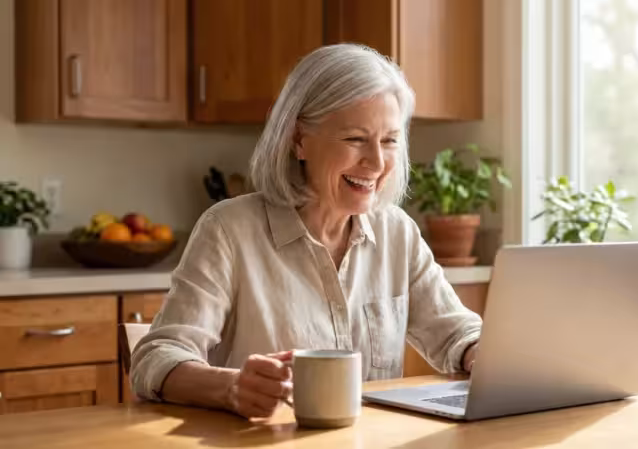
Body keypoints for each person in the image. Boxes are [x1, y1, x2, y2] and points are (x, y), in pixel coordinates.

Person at [130, 43, 482, 419]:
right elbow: (157, 357)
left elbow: (456, 334)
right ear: (299, 141)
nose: (377, 162)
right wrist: (230, 387)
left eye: (390, 140)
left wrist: (479, 353)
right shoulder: (228, 230)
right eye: (355, 139)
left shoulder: (398, 233)